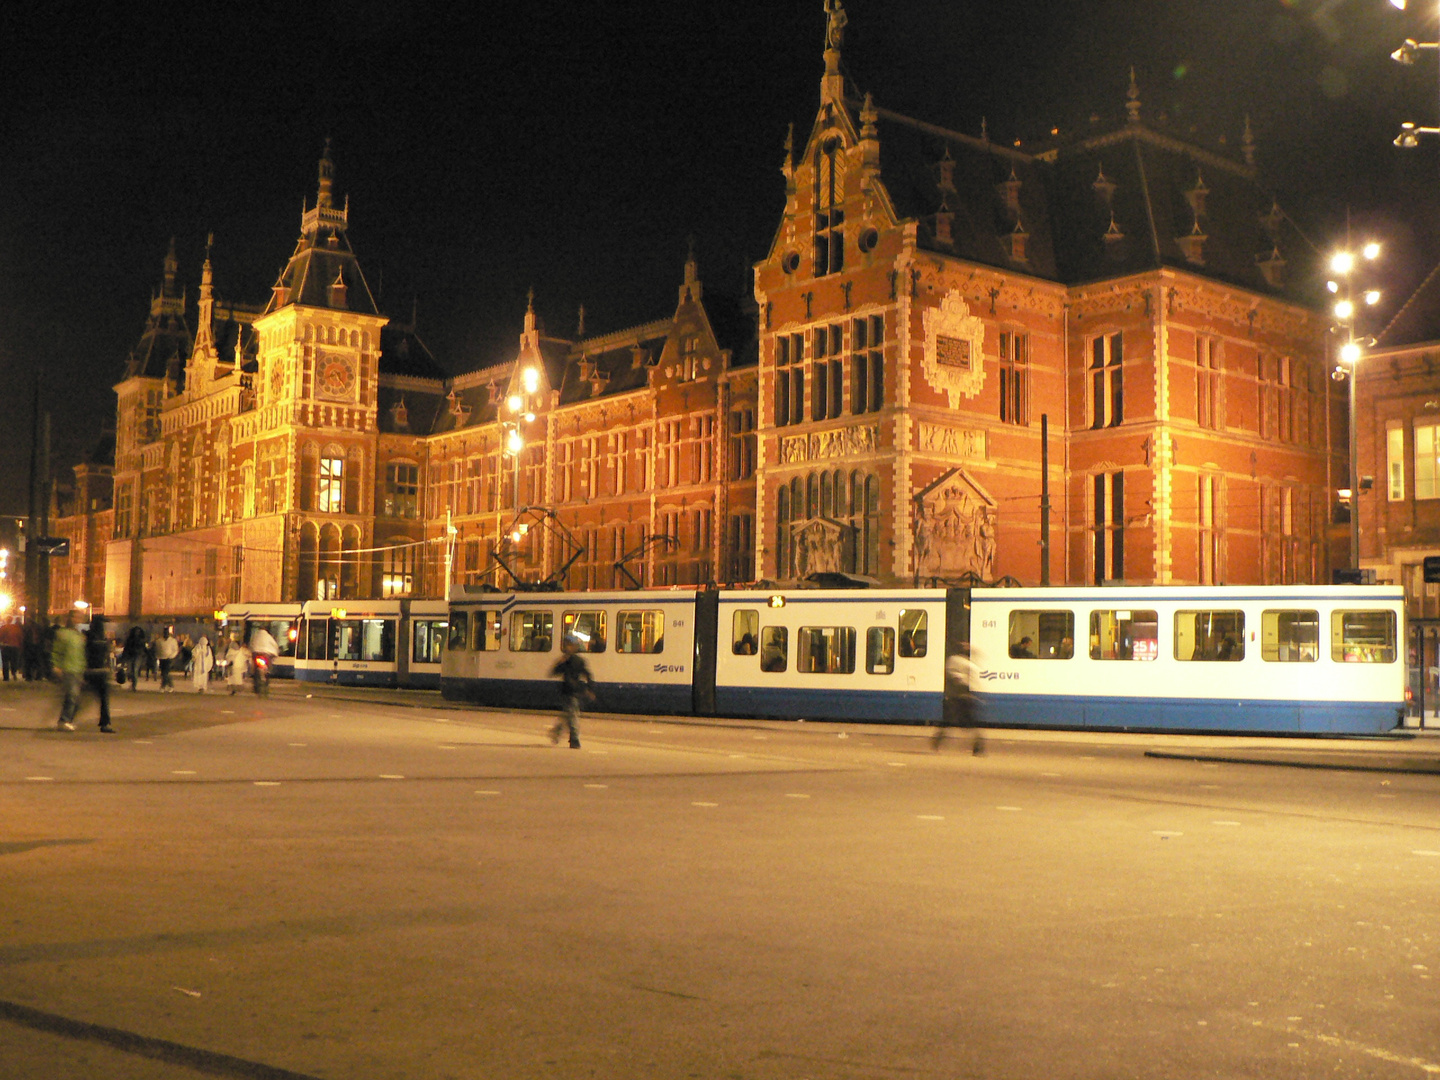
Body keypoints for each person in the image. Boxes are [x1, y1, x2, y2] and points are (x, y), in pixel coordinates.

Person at [935, 643, 984, 754]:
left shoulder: (952, 660)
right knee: (970, 723)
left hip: (953, 696)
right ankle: (978, 746)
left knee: (948, 722)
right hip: (964, 696)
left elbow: (949, 675)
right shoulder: (968, 664)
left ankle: (938, 741)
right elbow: (973, 680)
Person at [549, 635, 593, 749]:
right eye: (566, 645)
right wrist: (559, 663)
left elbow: (587, 675)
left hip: (574, 691)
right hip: (567, 692)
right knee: (573, 715)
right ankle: (574, 740)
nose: (568, 647)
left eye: (570, 645)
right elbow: (554, 672)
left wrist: (589, 689)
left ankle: (557, 731)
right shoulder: (565, 660)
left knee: (568, 715)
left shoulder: (578, 660)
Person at [51, 611, 86, 731]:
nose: (78, 619)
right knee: (72, 695)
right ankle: (64, 720)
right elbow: (56, 650)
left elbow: (81, 654)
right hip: (67, 668)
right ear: (70, 619)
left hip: (78, 669)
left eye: (79, 617)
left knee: (76, 698)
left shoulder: (79, 635)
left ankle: (67, 719)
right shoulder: (62, 634)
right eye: (76, 617)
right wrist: (56, 665)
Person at [83, 614, 115, 733]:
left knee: (78, 698)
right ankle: (105, 723)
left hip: (91, 670)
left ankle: (67, 718)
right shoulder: (102, 638)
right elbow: (106, 655)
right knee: (104, 699)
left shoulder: (88, 636)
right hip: (99, 671)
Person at [248, 624, 279, 695]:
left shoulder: (255, 636)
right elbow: (275, 645)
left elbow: (251, 644)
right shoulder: (268, 636)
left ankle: (255, 687)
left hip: (256, 653)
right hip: (266, 654)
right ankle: (267, 675)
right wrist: (275, 655)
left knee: (255, 670)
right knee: (268, 668)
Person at [122, 625, 147, 691]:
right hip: (131, 655)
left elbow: (144, 648)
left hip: (137, 656)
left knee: (135, 670)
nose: (137, 633)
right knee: (130, 670)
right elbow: (126, 648)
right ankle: (132, 682)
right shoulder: (130, 639)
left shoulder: (141, 640)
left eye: (138, 631)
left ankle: (134, 685)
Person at [155, 627, 179, 692]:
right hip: (162, 659)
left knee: (165, 673)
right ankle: (170, 685)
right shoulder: (159, 641)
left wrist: (171, 656)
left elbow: (175, 650)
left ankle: (163, 686)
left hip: (169, 659)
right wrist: (158, 656)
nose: (165, 634)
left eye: (167, 633)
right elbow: (157, 649)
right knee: (164, 673)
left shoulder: (173, 641)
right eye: (164, 633)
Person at [0, 616, 22, 681]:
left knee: (5, 662)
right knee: (14, 661)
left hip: (5, 646)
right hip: (15, 646)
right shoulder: (16, 628)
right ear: (12, 620)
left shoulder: (3, 628)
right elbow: (20, 637)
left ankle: (6, 677)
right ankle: (14, 673)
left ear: (6, 620)